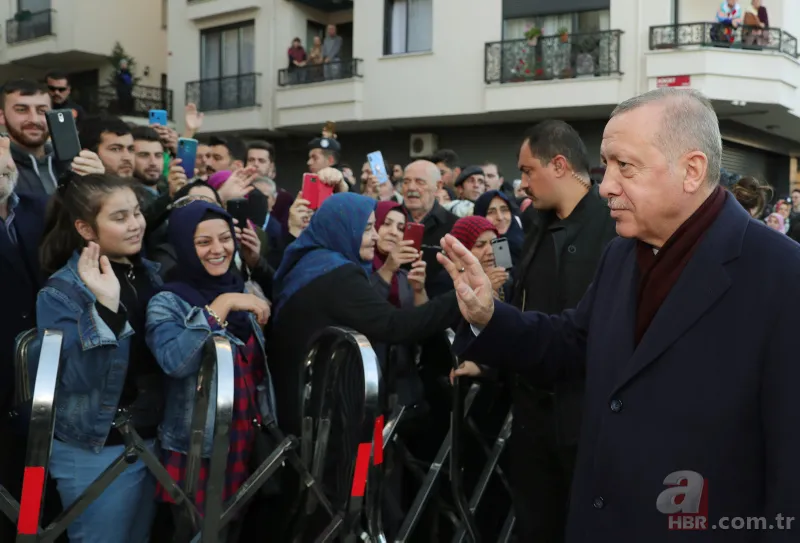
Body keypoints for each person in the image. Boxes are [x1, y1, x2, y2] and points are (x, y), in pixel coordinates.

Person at [442, 88, 800, 542]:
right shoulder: (620, 256)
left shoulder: (782, 276)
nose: (606, 184)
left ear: (691, 170)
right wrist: (488, 316)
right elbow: (571, 342)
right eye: (605, 165)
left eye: (624, 166)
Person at [36, 174, 164, 543]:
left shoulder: (146, 271)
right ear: (85, 229)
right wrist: (105, 309)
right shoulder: (62, 292)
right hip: (95, 448)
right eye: (120, 217)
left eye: (137, 213)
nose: (136, 224)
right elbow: (79, 379)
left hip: (150, 438)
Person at [145, 201, 273, 540]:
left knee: (233, 528)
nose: (218, 250)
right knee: (197, 533)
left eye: (225, 238)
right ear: (185, 246)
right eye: (203, 242)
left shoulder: (240, 285)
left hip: (243, 437)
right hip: (197, 447)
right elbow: (175, 361)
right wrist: (221, 307)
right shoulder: (167, 300)